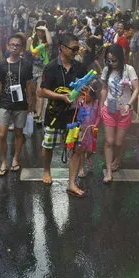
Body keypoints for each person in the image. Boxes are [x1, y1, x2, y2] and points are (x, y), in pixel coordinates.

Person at [39, 33, 88, 197]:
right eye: (73, 48)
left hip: (73, 116)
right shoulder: (51, 67)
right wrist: (61, 97)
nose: (76, 51)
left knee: (75, 148)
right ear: (62, 48)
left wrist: (86, 93)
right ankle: (46, 170)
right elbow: (41, 91)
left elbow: (85, 89)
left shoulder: (80, 68)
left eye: (77, 48)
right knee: (48, 146)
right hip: (54, 114)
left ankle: (71, 183)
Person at [0, 34, 35, 176]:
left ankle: (16, 158)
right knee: (2, 134)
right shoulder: (3, 64)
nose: (15, 47)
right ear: (7, 46)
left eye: (18, 45)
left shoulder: (26, 65)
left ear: (22, 48)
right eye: (12, 44)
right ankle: (4, 161)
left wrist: (31, 103)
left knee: (18, 133)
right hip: (5, 102)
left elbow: (29, 85)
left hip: (21, 103)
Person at [100, 44, 139, 183]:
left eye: (114, 61)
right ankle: (109, 172)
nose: (111, 63)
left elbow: (136, 89)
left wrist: (129, 104)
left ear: (121, 59)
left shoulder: (129, 70)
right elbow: (104, 88)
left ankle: (118, 159)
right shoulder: (107, 70)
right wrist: (101, 105)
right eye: (109, 60)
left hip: (124, 110)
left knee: (118, 141)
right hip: (109, 108)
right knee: (109, 141)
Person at [27, 21, 52, 124]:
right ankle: (32, 111)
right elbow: (27, 53)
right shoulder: (31, 39)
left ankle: (39, 115)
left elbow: (50, 44)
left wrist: (46, 29)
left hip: (43, 69)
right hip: (31, 68)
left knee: (39, 93)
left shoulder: (46, 41)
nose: (40, 32)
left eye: (43, 30)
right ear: (36, 30)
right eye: (39, 30)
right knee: (31, 92)